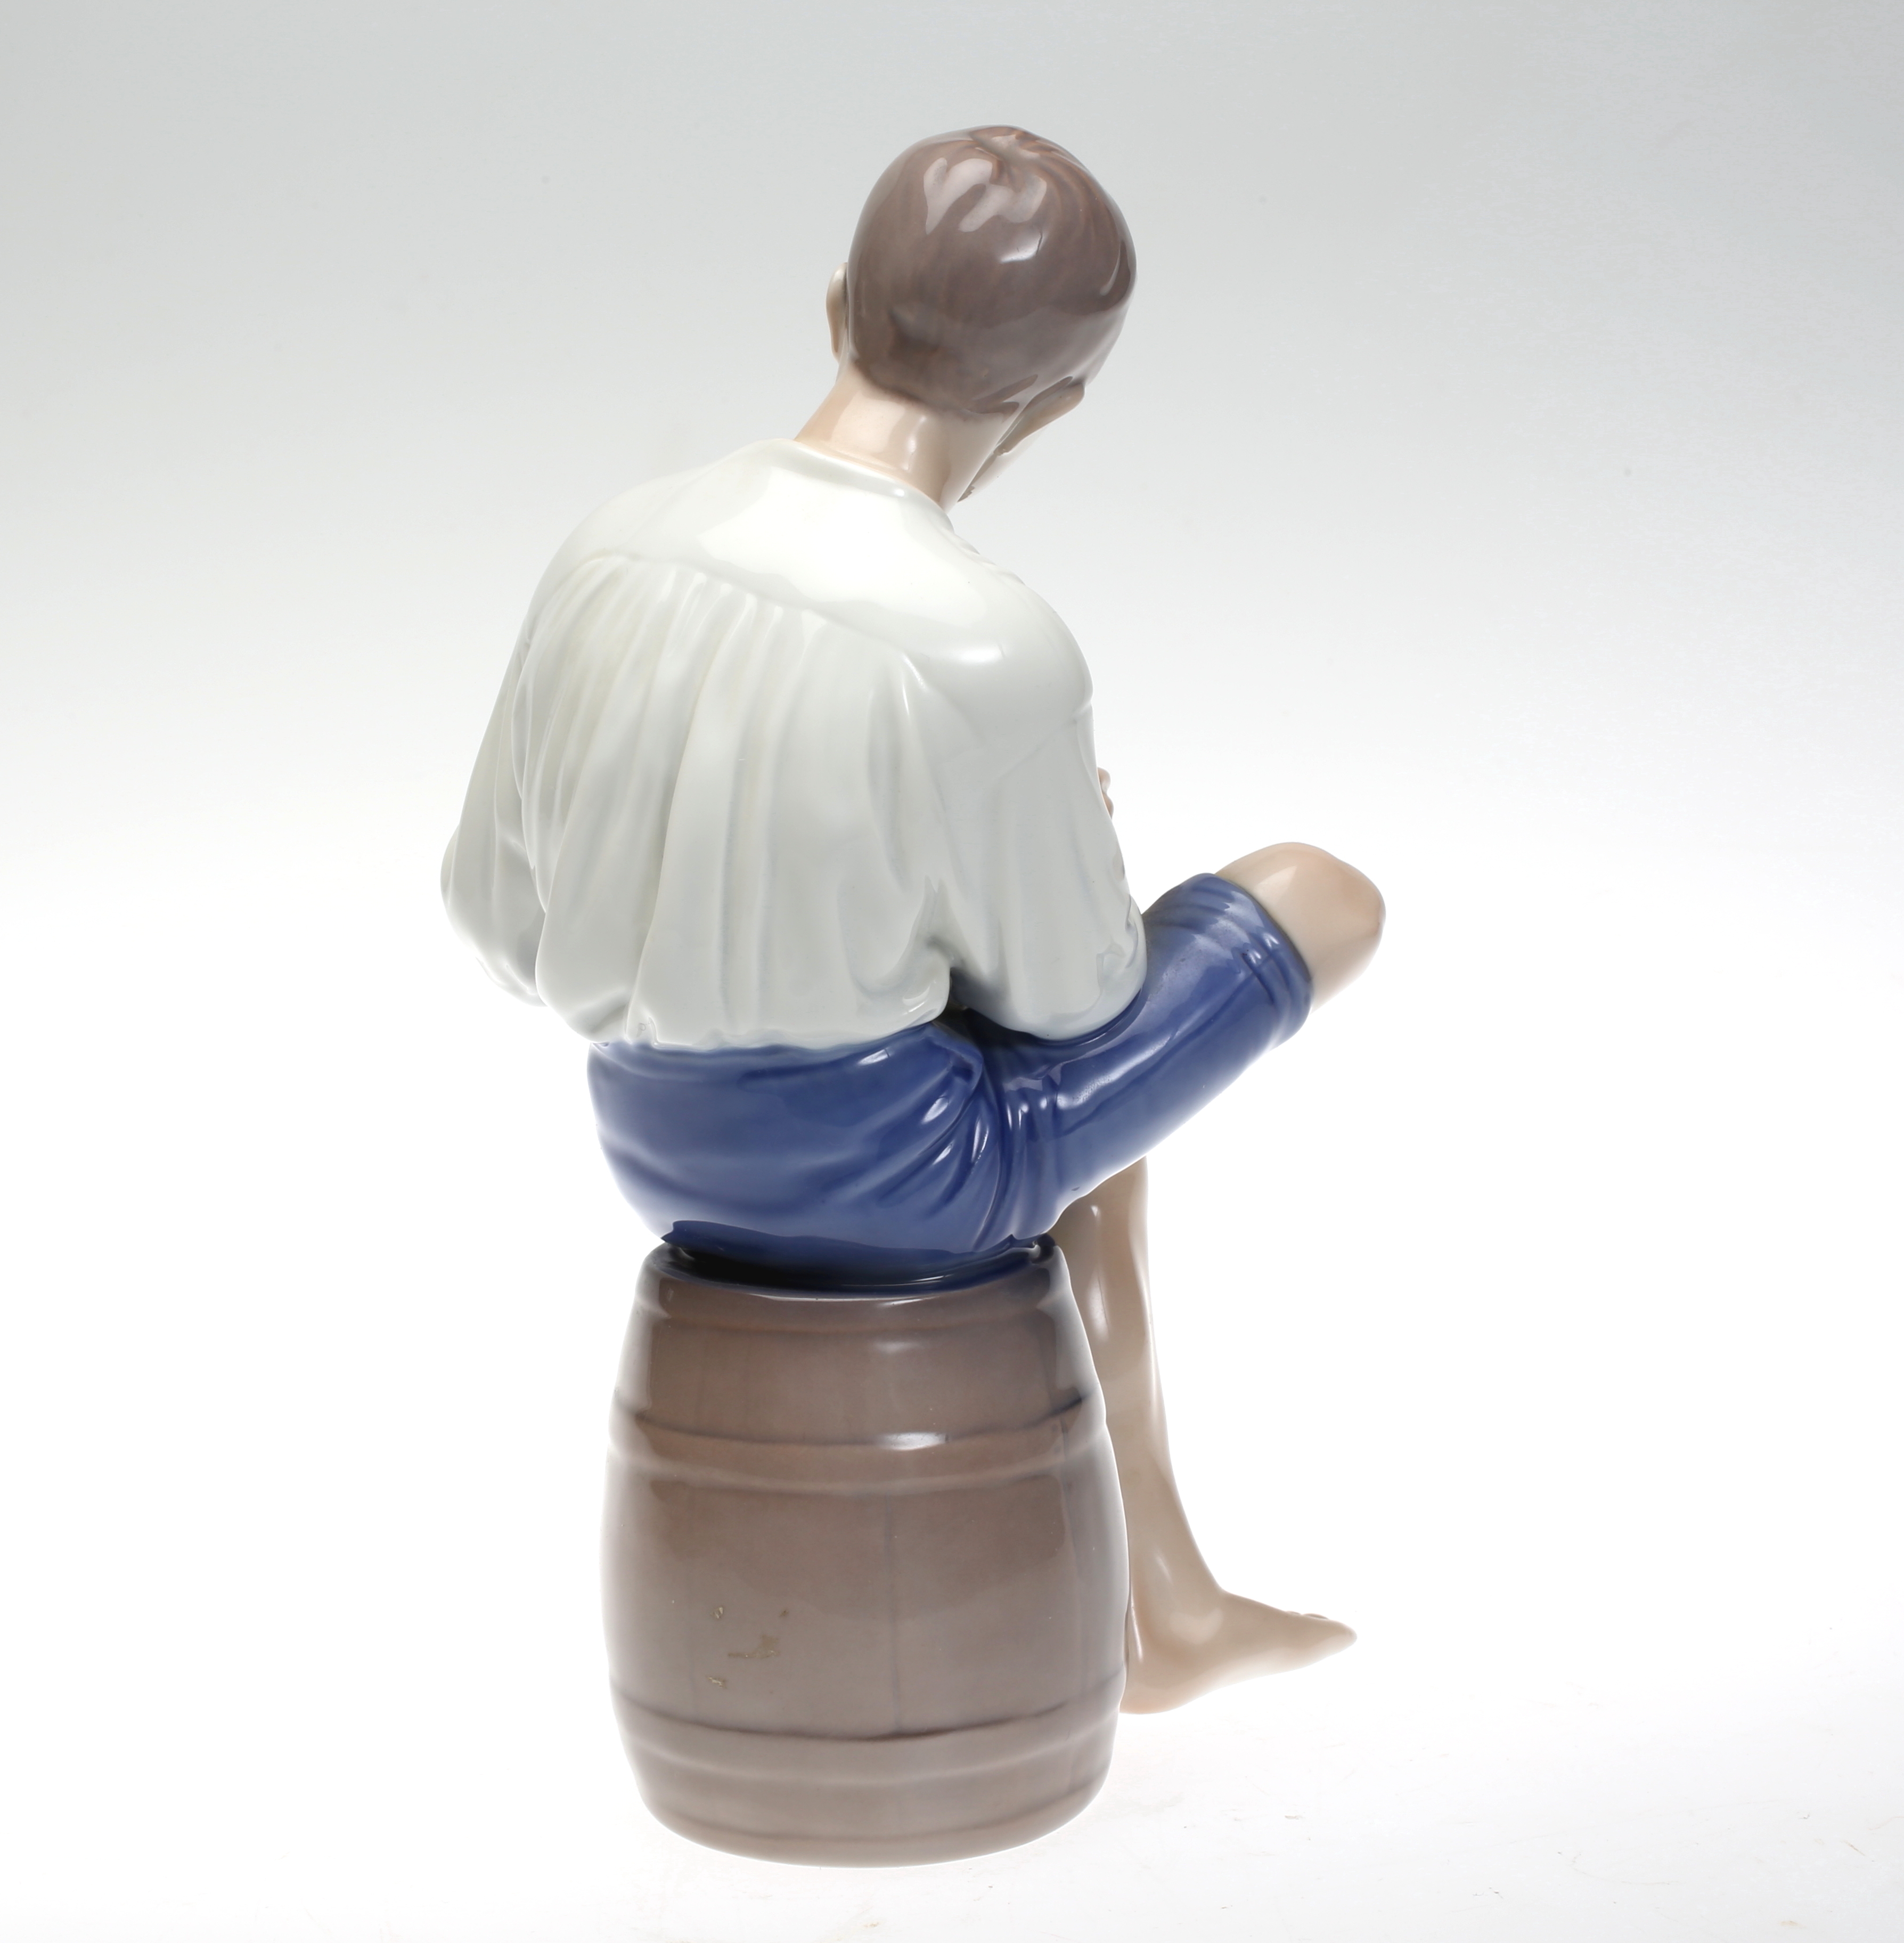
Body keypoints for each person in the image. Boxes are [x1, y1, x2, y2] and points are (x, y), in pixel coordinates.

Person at [443, 127, 1383, 1710]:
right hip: (906, 1175)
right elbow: (1078, 1000)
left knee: (1088, 1116)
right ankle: (1166, 1611)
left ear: (834, 304)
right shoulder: (987, 646)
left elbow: (493, 919)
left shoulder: (608, 547)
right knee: (1320, 898)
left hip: (648, 1134)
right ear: (1060, 402)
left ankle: (1168, 1600)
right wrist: (1062, 846)